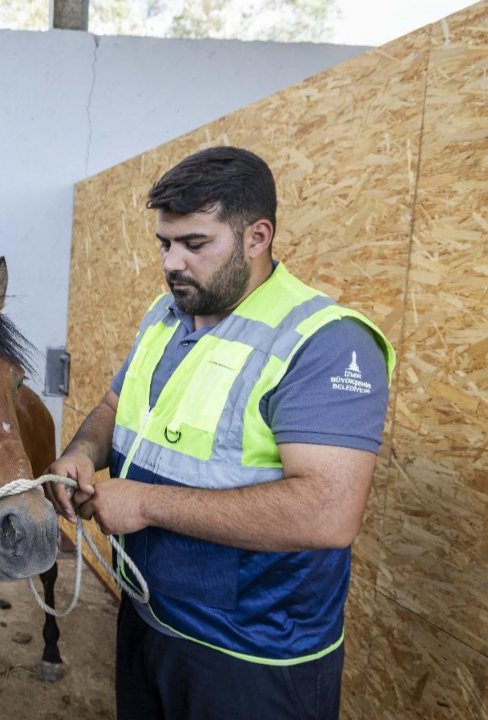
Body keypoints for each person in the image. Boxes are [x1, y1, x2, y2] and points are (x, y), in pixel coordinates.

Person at [47, 147, 394, 720]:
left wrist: (147, 504)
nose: (172, 263)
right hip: (149, 618)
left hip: (252, 658)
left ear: (257, 236)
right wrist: (81, 452)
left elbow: (328, 512)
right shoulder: (167, 314)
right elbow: (116, 403)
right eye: (165, 243)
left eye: (195, 243)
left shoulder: (324, 341)